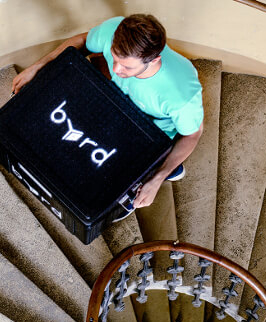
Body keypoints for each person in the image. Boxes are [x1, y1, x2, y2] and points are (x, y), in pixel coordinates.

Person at [12, 14, 204, 208]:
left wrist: (156, 179)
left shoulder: (181, 95)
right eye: (114, 57)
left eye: (127, 66)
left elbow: (192, 134)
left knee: (116, 176)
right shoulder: (113, 29)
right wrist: (38, 66)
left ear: (153, 61)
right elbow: (83, 41)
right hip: (119, 103)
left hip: (154, 130)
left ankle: (167, 167)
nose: (116, 69)